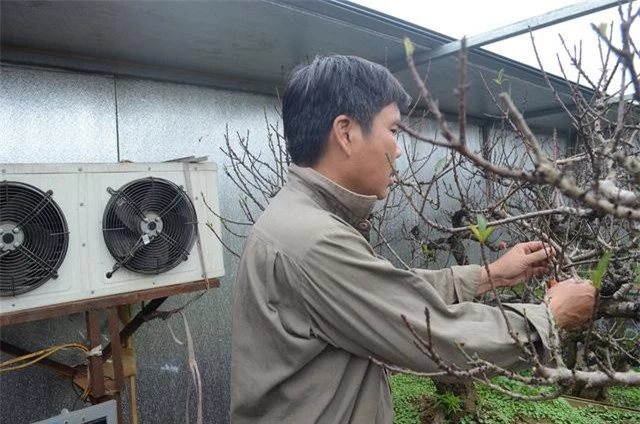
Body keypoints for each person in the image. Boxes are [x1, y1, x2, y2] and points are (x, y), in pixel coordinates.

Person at [230, 55, 596, 423]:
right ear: (345, 133)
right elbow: (436, 336)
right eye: (393, 131)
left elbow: (382, 293)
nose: (399, 148)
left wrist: (494, 275)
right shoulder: (314, 241)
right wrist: (549, 317)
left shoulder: (299, 218)